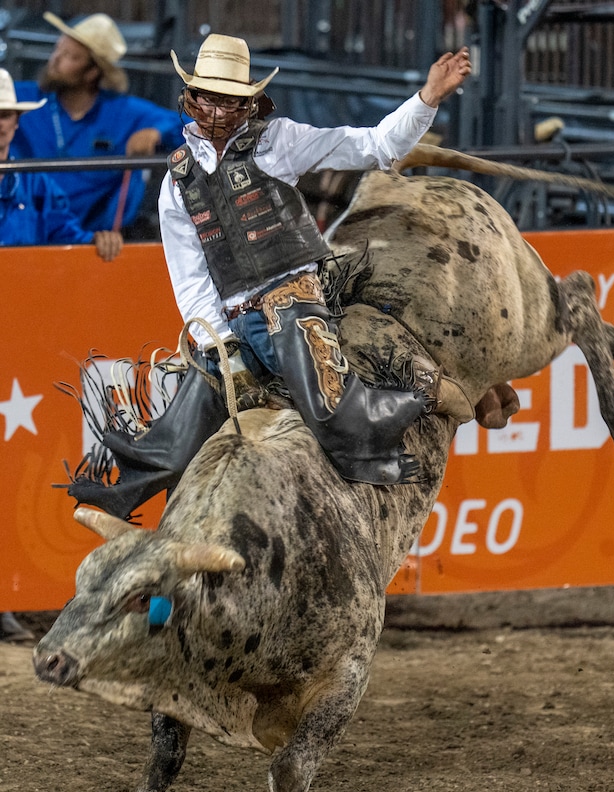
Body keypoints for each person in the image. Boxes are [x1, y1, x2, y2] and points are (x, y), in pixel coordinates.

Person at [64, 33, 472, 518]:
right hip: (231, 320)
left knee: (329, 412)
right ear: (190, 98)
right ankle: (112, 500)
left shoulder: (278, 142)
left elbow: (375, 146)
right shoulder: (177, 179)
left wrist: (428, 98)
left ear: (247, 104)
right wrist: (217, 341)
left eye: (228, 100)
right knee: (174, 446)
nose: (215, 110)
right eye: (207, 97)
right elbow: (190, 273)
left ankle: (418, 394)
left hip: (291, 301)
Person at [12, 12, 185, 234]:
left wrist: (157, 132)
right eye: (57, 49)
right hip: (26, 233)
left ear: (92, 72)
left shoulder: (121, 111)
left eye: (70, 56)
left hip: (96, 242)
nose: (54, 59)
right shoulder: (22, 100)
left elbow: (186, 125)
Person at [0, 67, 122, 259]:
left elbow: (64, 231)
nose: (0, 124)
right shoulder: (34, 182)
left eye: (5, 115)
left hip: (25, 283)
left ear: (16, 122)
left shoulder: (37, 185)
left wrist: (95, 240)